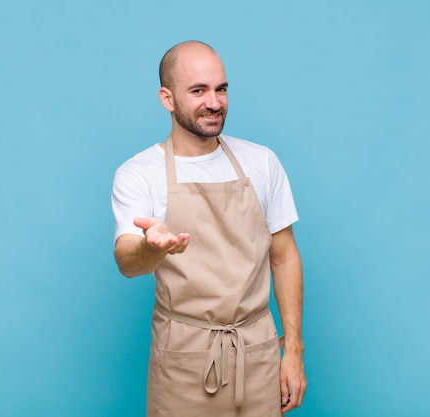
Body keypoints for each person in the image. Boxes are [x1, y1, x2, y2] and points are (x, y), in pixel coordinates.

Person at [111, 40, 306, 416]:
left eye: (221, 89)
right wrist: (152, 249)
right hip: (183, 360)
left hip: (259, 353)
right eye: (198, 90)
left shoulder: (261, 162)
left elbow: (283, 257)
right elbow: (127, 261)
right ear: (167, 99)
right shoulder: (140, 173)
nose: (214, 102)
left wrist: (293, 351)